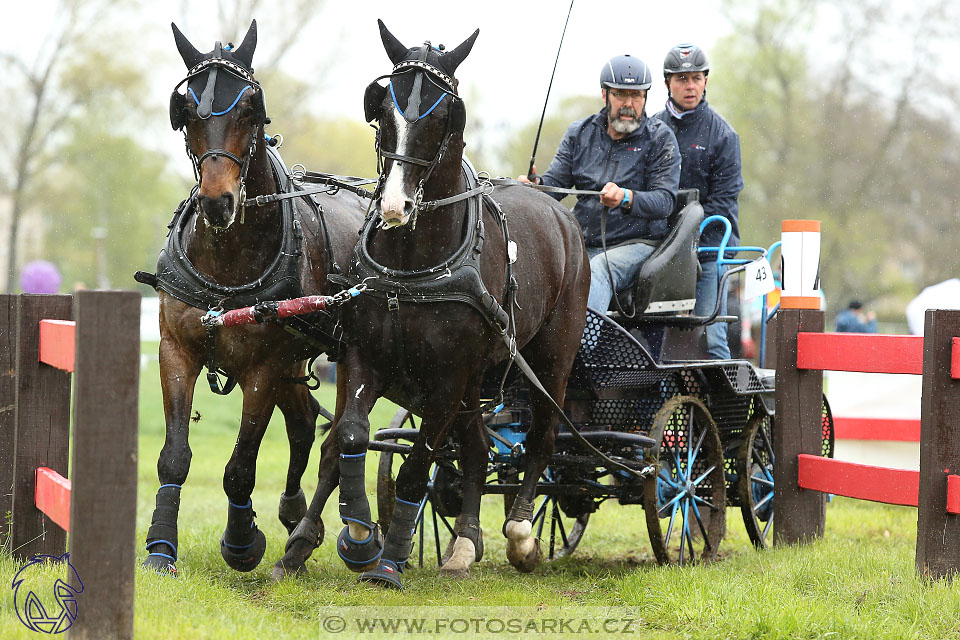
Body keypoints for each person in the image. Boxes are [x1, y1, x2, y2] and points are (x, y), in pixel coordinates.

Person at [519, 54, 681, 312]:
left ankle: (582, 347)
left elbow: (664, 202)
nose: (629, 104)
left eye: (637, 96)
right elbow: (554, 186)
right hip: (583, 241)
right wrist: (532, 188)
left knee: (598, 269)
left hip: (637, 245)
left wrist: (626, 198)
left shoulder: (660, 138)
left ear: (646, 98)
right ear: (605, 95)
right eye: (620, 94)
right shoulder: (579, 132)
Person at [654, 44, 743, 359]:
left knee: (710, 338)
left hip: (710, 250)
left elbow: (723, 202)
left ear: (705, 80)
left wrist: (691, 244)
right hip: (660, 252)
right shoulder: (651, 130)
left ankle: (723, 407)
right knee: (655, 343)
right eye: (681, 79)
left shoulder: (723, 136)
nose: (689, 86)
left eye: (695, 78)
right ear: (668, 83)